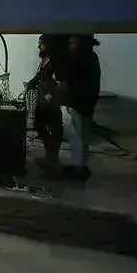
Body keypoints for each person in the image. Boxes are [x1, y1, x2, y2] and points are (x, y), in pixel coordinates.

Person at [61, 35, 101, 179]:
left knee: (79, 138)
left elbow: (74, 82)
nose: (70, 45)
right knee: (80, 137)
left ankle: (79, 170)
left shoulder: (82, 59)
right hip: (84, 103)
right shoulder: (90, 57)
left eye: (73, 42)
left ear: (81, 44)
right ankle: (79, 166)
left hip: (81, 103)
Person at [27, 35, 67, 171]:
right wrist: (31, 84)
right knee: (39, 124)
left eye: (41, 44)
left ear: (48, 45)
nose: (39, 46)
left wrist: (52, 93)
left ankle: (52, 157)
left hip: (50, 98)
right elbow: (41, 75)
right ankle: (50, 155)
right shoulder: (45, 59)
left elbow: (60, 79)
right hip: (43, 96)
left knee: (54, 125)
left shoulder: (55, 60)